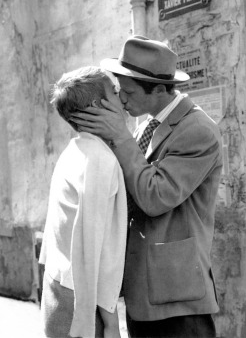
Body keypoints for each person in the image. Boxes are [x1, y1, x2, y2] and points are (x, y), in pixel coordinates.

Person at [70, 35, 223, 338]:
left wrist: (120, 137)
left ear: (157, 89)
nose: (122, 101)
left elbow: (154, 197)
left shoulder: (198, 131)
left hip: (177, 297)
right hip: (142, 294)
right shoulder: (145, 126)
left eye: (127, 92)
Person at [39, 66, 128, 338]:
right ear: (96, 107)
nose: (122, 97)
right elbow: (90, 250)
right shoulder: (98, 161)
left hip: (60, 290)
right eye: (114, 92)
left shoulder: (74, 151)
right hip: (81, 307)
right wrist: (110, 323)